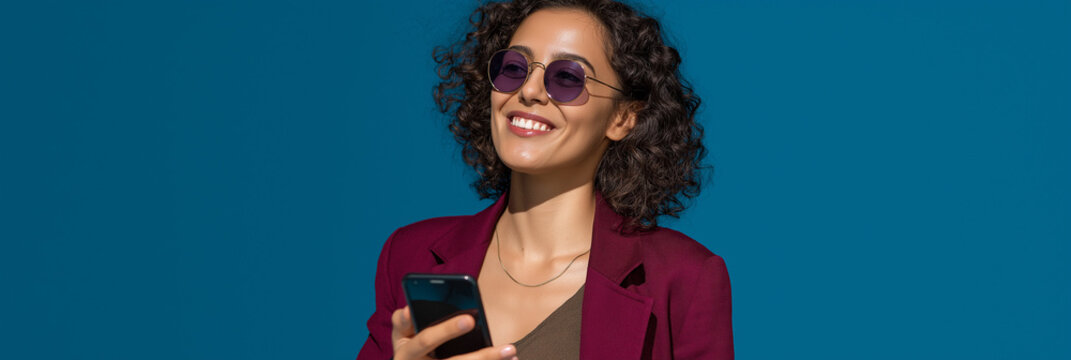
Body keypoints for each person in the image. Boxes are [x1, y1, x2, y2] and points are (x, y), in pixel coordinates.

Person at [357, 0, 732, 359]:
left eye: (567, 78)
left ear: (622, 117)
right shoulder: (410, 255)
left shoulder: (685, 276)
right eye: (514, 68)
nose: (530, 91)